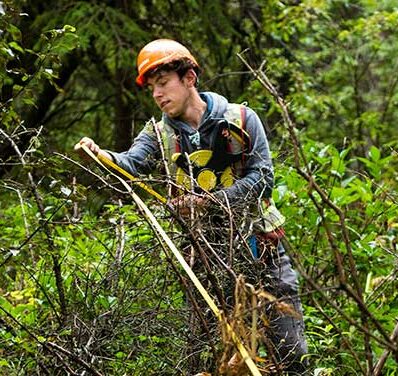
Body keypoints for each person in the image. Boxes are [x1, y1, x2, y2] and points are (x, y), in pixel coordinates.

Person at [74, 39, 308, 374]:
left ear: (189, 79)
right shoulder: (158, 134)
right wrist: (100, 155)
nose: (157, 94)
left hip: (262, 249)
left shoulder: (241, 118)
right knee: (219, 359)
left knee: (290, 354)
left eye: (164, 83)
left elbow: (263, 179)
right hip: (206, 260)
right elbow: (131, 164)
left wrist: (207, 203)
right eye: (152, 88)